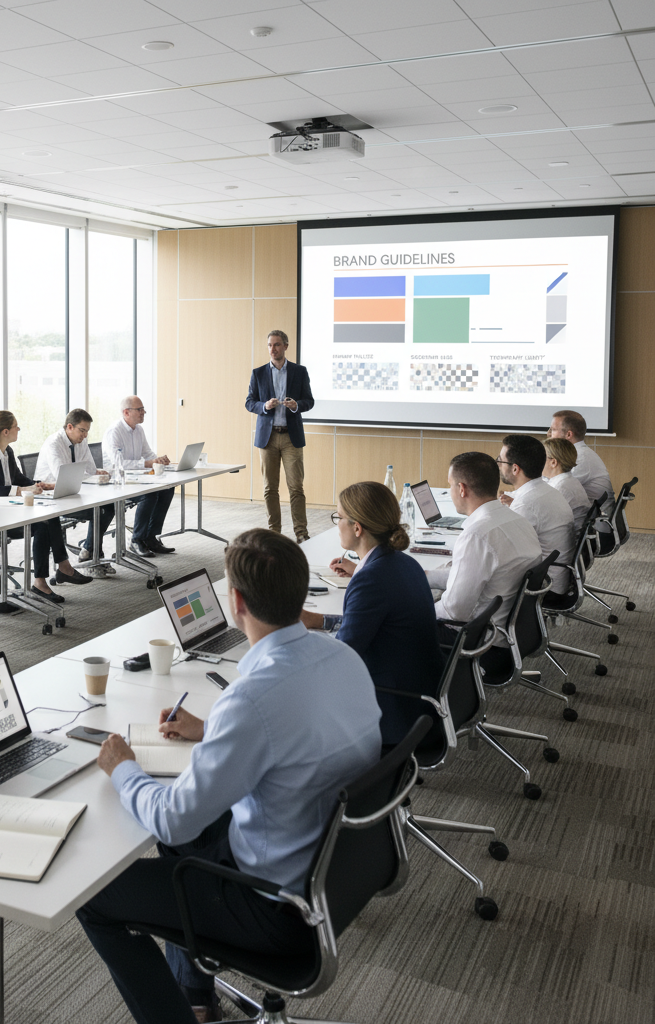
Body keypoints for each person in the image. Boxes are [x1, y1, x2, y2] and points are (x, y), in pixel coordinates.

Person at [76, 529, 381, 1024]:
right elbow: (294, 736)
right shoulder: (343, 657)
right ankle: (195, 998)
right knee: (183, 842)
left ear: (236, 602)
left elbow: (173, 819)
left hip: (274, 908)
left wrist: (122, 767)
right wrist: (211, 731)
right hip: (333, 875)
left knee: (95, 897)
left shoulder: (252, 697)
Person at [301, 482, 445, 746]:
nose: (337, 525)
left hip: (396, 707)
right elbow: (376, 624)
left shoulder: (370, 580)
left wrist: (293, 648)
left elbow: (344, 655)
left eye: (338, 517)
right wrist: (320, 621)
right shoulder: (405, 563)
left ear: (357, 528)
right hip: (422, 692)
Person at [0, 411, 92, 604]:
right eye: (16, 426)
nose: (18, 429)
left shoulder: (7, 451)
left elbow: (18, 478)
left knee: (50, 516)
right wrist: (22, 490)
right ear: (6, 431)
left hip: (6, 509)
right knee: (41, 525)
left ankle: (62, 568)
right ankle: (41, 582)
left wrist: (37, 484)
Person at [426, 452, 541, 646]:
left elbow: (454, 612)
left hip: (478, 640)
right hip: (510, 632)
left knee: (396, 618)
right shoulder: (517, 520)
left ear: (462, 489)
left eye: (450, 485)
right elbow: (470, 574)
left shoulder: (476, 536)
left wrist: (417, 610)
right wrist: (424, 577)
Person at [245, 329, 315, 543]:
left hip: (291, 437)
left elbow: (309, 401)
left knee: (296, 488)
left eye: (276, 344)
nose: (273, 349)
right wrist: (264, 406)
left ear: (285, 346)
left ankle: (301, 533)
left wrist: (297, 405)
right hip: (267, 438)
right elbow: (249, 402)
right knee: (270, 488)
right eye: (270, 345)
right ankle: (274, 533)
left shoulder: (299, 371)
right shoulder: (258, 373)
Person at [37, 408, 116, 576]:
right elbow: (62, 476)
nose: (85, 435)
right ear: (69, 427)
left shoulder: (81, 441)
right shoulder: (54, 444)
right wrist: (88, 475)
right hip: (52, 498)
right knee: (100, 510)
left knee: (109, 506)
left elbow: (90, 470)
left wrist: (97, 473)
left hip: (73, 492)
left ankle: (89, 551)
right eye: (82, 430)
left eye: (87, 431)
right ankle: (92, 557)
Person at [497, 434, 576, 601]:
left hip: (545, 587)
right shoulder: (546, 490)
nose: (498, 464)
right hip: (558, 576)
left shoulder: (526, 504)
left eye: (500, 460)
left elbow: (507, 556)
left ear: (515, 469)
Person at [102, 396, 175, 558]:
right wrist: (148, 463)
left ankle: (150, 537)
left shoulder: (139, 430)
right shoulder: (114, 432)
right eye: (139, 410)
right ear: (126, 412)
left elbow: (147, 453)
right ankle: (136, 539)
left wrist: (158, 460)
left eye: (143, 409)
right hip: (118, 481)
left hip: (136, 479)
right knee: (149, 495)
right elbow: (119, 464)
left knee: (167, 489)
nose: (144, 412)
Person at [547, 410, 614, 516]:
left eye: (553, 430)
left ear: (568, 434)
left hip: (592, 518)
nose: (549, 434)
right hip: (589, 514)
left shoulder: (580, 458)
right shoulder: (579, 454)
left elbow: (555, 490)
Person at [542, 436, 591, 536]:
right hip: (568, 535)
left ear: (553, 462)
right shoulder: (566, 480)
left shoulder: (560, 487)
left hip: (564, 540)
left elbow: (542, 521)